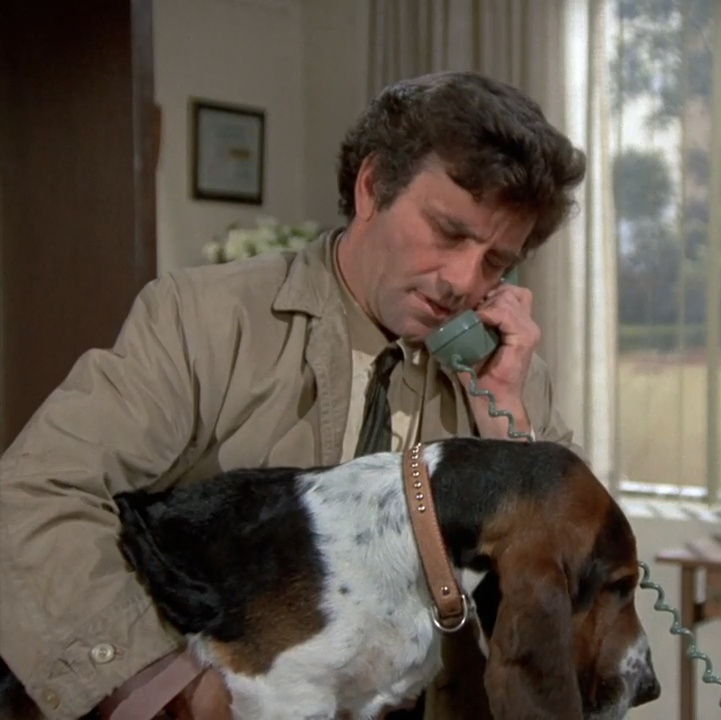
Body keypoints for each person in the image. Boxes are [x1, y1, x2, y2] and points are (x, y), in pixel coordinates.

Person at [0, 70, 587, 720]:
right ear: (372, 187)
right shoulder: (204, 319)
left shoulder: (507, 378)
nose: (462, 281)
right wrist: (167, 686)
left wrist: (510, 429)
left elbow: (577, 592)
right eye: (448, 233)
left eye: (496, 261)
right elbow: (35, 492)